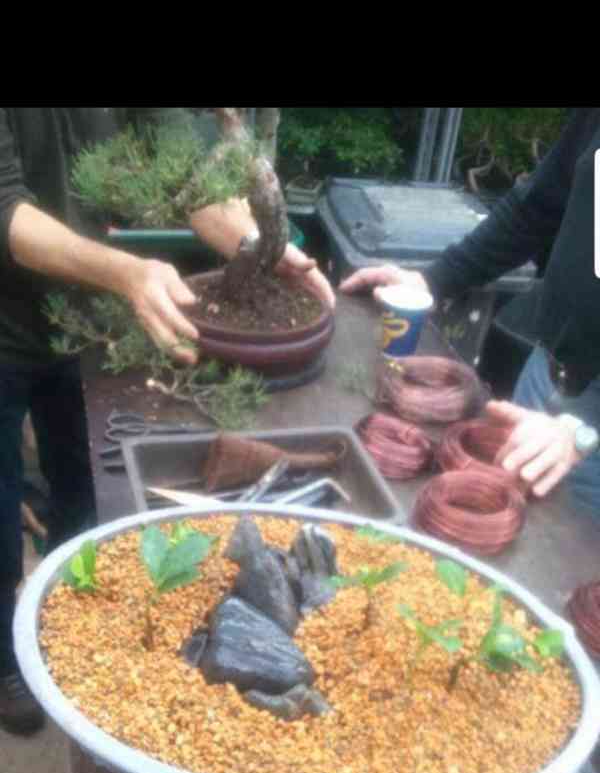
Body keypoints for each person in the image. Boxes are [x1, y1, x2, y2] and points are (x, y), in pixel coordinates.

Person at [0, 107, 334, 736]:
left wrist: (259, 248)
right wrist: (128, 272)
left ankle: (73, 618)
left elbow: (186, 174)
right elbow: (6, 212)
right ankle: (4, 663)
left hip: (84, 322)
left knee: (85, 490)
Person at [341, 108, 600, 511]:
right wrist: (432, 281)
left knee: (563, 546)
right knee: (493, 513)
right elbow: (537, 207)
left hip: (588, 434)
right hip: (546, 376)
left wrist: (581, 431)